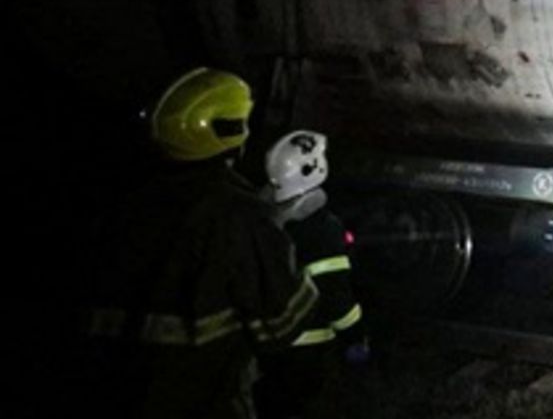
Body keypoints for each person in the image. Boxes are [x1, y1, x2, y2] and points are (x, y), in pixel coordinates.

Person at [84, 67, 319, 419]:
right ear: (232, 132)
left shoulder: (126, 204)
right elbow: (283, 324)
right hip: (202, 401)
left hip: (110, 396)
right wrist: (280, 238)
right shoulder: (239, 214)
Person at [256, 130, 366, 419]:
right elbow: (334, 292)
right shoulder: (323, 228)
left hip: (264, 348)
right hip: (307, 355)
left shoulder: (261, 220)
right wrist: (355, 337)